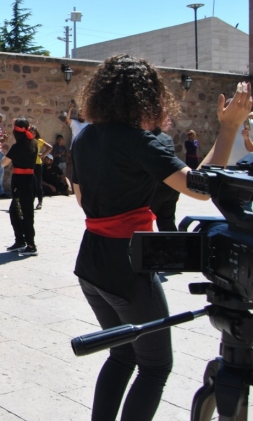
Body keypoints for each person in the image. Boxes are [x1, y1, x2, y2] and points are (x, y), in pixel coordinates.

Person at [71, 54, 250, 421]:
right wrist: (228, 127)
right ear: (148, 97)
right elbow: (200, 190)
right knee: (154, 366)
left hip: (90, 262)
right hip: (126, 265)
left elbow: (81, 199)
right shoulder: (141, 142)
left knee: (121, 355)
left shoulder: (85, 136)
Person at [1, 118, 38, 256]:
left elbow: (3, 163)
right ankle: (20, 241)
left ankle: (30, 244)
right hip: (30, 180)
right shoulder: (34, 144)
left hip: (20, 181)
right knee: (15, 211)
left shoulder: (17, 147)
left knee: (23, 212)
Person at [149, 128, 181, 232]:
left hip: (156, 187)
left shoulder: (145, 138)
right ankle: (172, 246)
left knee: (142, 222)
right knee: (167, 223)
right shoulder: (166, 137)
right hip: (172, 186)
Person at [63, 100, 88, 181]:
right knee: (72, 167)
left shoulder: (88, 124)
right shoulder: (74, 123)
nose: (80, 116)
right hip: (74, 148)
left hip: (84, 149)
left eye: (82, 115)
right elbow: (67, 119)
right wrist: (70, 109)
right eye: (79, 115)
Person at [31, 126, 53, 210]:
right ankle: (31, 202)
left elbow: (50, 147)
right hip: (30, 164)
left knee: (38, 184)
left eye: (34, 133)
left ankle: (40, 202)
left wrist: (43, 155)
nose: (32, 134)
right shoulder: (27, 140)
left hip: (37, 164)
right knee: (30, 184)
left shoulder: (39, 141)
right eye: (31, 132)